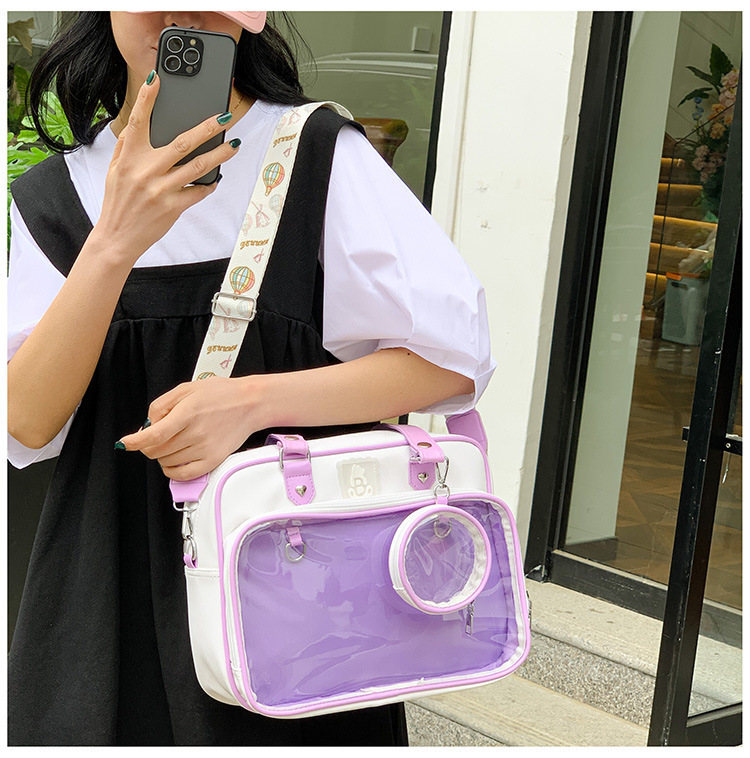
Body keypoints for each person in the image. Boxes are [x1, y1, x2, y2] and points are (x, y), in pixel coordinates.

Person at [7, 11, 495, 747]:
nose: (179, 16)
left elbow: (452, 358)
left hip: (298, 595)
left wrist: (250, 402)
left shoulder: (315, 154)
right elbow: (26, 421)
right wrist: (113, 242)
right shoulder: (56, 195)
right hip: (109, 590)